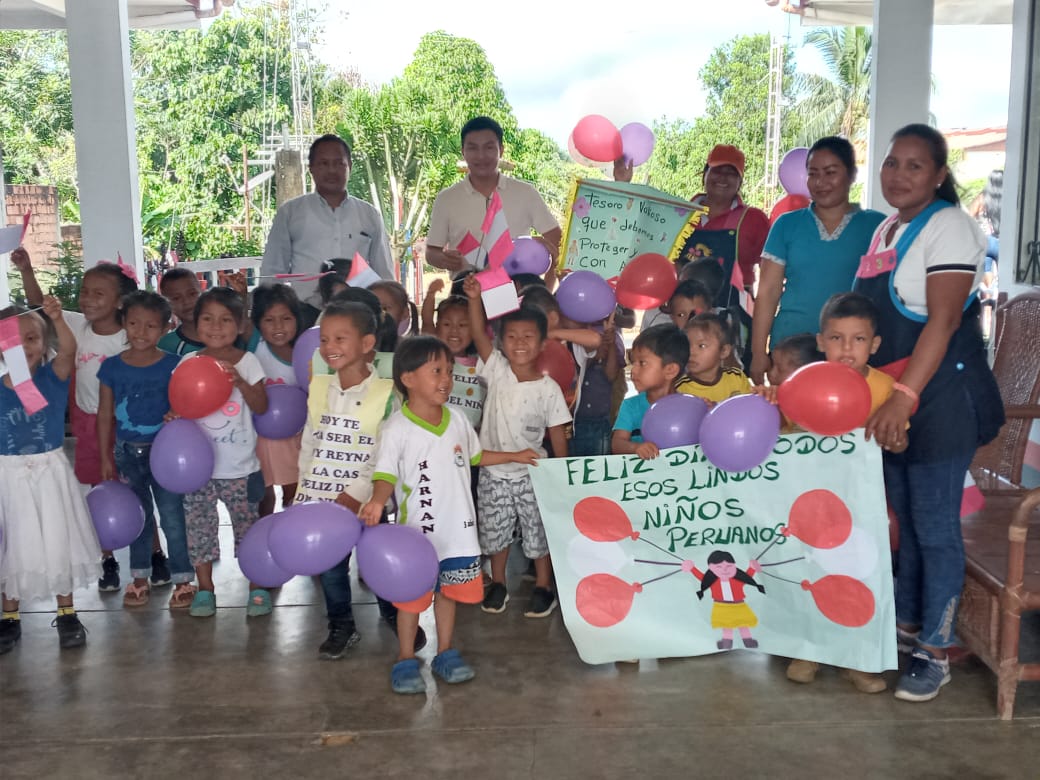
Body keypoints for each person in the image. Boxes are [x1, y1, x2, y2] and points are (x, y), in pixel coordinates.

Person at [854, 124, 1003, 703]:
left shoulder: (951, 227)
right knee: (906, 521)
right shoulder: (891, 227)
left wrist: (903, 399)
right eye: (893, 163)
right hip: (891, 397)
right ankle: (909, 624)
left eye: (915, 166)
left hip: (938, 399)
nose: (899, 174)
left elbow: (940, 323)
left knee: (935, 526)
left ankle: (936, 651)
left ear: (940, 174)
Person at [360, 336, 539, 694]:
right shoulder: (396, 428)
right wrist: (378, 501)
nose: (447, 379)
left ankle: (445, 652)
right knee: (411, 600)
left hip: (458, 535)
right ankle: (406, 658)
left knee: (449, 595)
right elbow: (384, 474)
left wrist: (513, 456)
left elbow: (475, 457)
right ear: (408, 379)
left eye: (450, 371)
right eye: (436, 371)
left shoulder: (457, 419)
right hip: (417, 539)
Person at [782, 292, 903, 694]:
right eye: (836, 338)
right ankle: (810, 651)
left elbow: (899, 441)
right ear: (820, 341)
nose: (846, 349)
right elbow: (786, 435)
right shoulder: (803, 384)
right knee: (812, 573)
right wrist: (772, 402)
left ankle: (859, 660)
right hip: (815, 505)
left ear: (875, 344)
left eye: (858, 339)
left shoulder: (887, 389)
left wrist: (896, 440)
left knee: (861, 579)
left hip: (864, 508)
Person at [13, 249, 145, 593]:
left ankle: (150, 555)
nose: (87, 299)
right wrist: (27, 268)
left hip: (129, 425)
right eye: (84, 291)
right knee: (101, 493)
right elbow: (37, 305)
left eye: (98, 293)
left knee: (136, 490)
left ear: (120, 302)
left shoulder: (129, 335)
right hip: (89, 424)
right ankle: (108, 559)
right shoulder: (76, 325)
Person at [295, 300, 416, 660]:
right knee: (331, 568)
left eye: (340, 339)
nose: (329, 347)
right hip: (323, 499)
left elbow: (385, 450)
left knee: (375, 557)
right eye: (325, 340)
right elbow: (310, 441)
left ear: (366, 345)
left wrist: (358, 493)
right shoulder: (319, 388)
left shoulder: (385, 394)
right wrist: (305, 491)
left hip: (368, 501)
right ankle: (341, 625)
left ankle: (393, 613)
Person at [464, 276, 571, 618]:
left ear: (542, 345)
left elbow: (557, 434)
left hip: (534, 475)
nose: (519, 343)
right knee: (494, 533)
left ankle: (543, 587)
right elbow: (479, 334)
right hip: (493, 472)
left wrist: (560, 475)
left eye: (528, 337)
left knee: (537, 533)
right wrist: (475, 299)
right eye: (511, 337)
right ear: (501, 343)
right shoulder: (495, 370)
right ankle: (498, 584)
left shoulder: (548, 388)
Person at [0, 297, 100, 653]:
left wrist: (57, 319)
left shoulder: (51, 378)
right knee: (11, 546)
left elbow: (69, 351)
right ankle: (9, 617)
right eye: (11, 339)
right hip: (9, 480)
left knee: (58, 542)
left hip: (50, 475)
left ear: (44, 343)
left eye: (31, 338)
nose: (23, 346)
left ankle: (67, 612)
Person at [750, 136, 886, 384]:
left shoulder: (877, 225)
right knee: (791, 422)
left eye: (830, 172)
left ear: (852, 174)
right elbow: (768, 292)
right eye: (813, 173)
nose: (821, 182)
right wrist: (758, 353)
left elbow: (885, 293)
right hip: (791, 352)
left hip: (851, 353)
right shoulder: (786, 225)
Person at [97, 291, 196, 610]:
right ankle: (140, 578)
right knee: (138, 519)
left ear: (166, 328)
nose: (141, 332)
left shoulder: (174, 365)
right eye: (134, 324)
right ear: (123, 324)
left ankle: (183, 579)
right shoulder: (111, 368)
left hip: (165, 454)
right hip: (126, 453)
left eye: (151, 326)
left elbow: (187, 405)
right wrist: (104, 457)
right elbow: (104, 413)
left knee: (172, 517)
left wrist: (177, 415)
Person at [179, 287, 271, 619]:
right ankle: (205, 589)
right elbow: (181, 404)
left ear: (241, 325)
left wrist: (242, 383)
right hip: (198, 470)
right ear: (195, 321)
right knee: (199, 529)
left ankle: (256, 586)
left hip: (239, 467)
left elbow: (261, 406)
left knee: (247, 528)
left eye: (225, 320)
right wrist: (174, 416)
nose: (216, 327)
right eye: (207, 319)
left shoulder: (248, 361)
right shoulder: (189, 362)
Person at [260, 134, 394, 324]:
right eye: (323, 163)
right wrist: (269, 314)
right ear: (311, 169)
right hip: (304, 313)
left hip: (359, 314)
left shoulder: (369, 214)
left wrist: (390, 310)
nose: (331, 170)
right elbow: (273, 269)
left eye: (339, 163)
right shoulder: (290, 213)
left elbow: (384, 272)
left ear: (350, 167)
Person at [427, 117, 561, 273]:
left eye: (489, 147)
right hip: (466, 291)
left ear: (501, 150)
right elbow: (432, 252)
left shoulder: (526, 193)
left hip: (517, 293)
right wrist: (444, 259)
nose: (481, 156)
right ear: (463, 151)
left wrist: (548, 291)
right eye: (472, 148)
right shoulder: (446, 199)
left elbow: (558, 243)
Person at [248, 284, 305, 516]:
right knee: (265, 495)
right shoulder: (255, 345)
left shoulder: (305, 352)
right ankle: (265, 539)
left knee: (294, 493)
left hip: (295, 438)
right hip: (259, 437)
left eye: (286, 318)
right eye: (269, 320)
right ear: (258, 323)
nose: (278, 326)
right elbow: (239, 322)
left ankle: (292, 537)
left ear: (297, 319)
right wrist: (242, 296)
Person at [612, 324, 690, 460]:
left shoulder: (689, 407)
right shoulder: (630, 406)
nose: (634, 370)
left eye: (642, 363)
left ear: (670, 370)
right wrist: (635, 448)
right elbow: (617, 444)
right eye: (633, 362)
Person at [420, 280, 486, 431]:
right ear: (437, 327)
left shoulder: (481, 363)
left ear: (473, 330)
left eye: (462, 325)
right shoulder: (432, 355)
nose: (454, 331)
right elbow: (427, 322)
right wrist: (431, 294)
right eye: (447, 324)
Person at [688, 551, 765, 650]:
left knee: (743, 624)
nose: (724, 570)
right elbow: (701, 577)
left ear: (734, 566)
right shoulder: (712, 581)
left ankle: (748, 640)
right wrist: (692, 568)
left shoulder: (738, 579)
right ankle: (727, 642)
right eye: (718, 567)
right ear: (711, 569)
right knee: (726, 626)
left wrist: (752, 567)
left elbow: (748, 576)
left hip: (739, 605)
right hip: (721, 606)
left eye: (729, 566)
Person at [676, 310, 751, 404]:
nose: (691, 352)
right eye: (687, 345)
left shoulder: (736, 377)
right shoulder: (680, 389)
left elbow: (748, 408)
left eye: (701, 346)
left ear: (724, 351)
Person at [157, 267, 204, 355]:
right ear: (167, 304)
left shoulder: (227, 334)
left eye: (192, 294)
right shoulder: (165, 346)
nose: (186, 302)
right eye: (176, 298)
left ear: (202, 292)